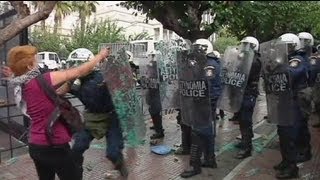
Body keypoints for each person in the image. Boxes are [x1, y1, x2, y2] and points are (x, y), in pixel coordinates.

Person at [6, 45, 109, 180]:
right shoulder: (43, 79)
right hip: (54, 145)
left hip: (35, 146)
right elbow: (78, 70)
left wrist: (70, 82)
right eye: (36, 60)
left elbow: (56, 93)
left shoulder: (21, 84)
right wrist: (100, 56)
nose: (39, 63)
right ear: (30, 66)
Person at [55, 63, 128, 178]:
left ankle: (121, 167)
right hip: (92, 117)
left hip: (111, 117)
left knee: (113, 152)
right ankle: (76, 176)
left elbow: (121, 86)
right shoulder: (74, 82)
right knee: (77, 148)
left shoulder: (101, 77)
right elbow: (58, 91)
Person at [180, 39, 221, 178]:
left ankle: (195, 166)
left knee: (197, 134)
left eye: (198, 49)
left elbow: (203, 85)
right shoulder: (208, 63)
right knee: (208, 133)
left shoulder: (208, 65)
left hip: (204, 105)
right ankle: (210, 160)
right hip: (206, 105)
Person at [269, 33, 307, 179]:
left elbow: (291, 74)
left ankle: (292, 168)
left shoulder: (297, 60)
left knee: (290, 135)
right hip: (284, 102)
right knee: (283, 133)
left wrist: (277, 67)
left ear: (293, 45)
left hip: (293, 103)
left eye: (285, 46)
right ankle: (286, 161)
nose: (282, 48)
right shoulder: (285, 59)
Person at [235, 36, 262, 159]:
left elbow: (245, 75)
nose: (244, 47)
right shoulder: (246, 58)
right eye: (243, 45)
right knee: (241, 118)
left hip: (249, 93)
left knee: (246, 119)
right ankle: (244, 142)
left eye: (247, 45)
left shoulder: (254, 60)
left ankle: (247, 148)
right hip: (242, 92)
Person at [295, 32, 313, 163]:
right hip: (297, 92)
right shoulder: (298, 56)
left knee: (302, 122)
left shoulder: (307, 58)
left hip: (303, 92)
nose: (301, 42)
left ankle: (305, 151)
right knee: (296, 121)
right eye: (300, 39)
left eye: (304, 40)